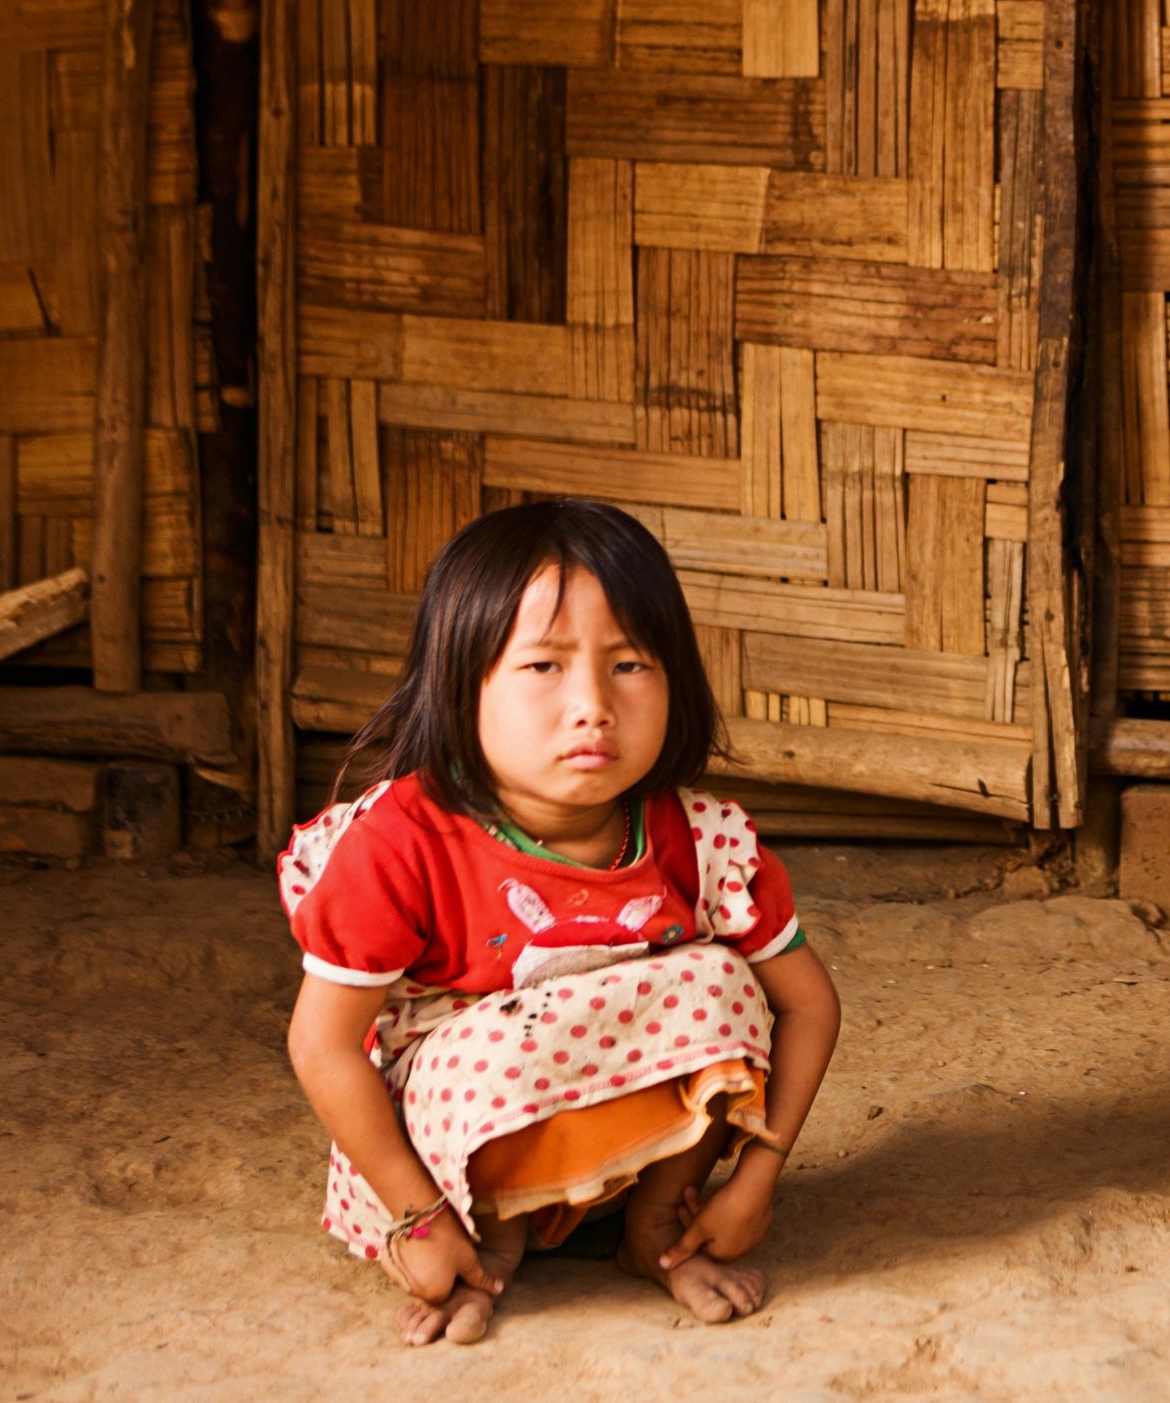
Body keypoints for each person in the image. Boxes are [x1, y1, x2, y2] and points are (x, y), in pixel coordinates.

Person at [281, 500, 842, 1345]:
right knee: (480, 1048)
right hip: (453, 1157)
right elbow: (322, 1045)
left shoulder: (702, 837)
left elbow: (810, 1005)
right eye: (543, 665)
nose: (593, 704)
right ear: (460, 682)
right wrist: (417, 1216)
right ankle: (487, 1246)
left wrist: (756, 1178)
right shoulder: (401, 842)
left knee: (722, 981)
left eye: (629, 663)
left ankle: (656, 1227)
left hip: (633, 1145)